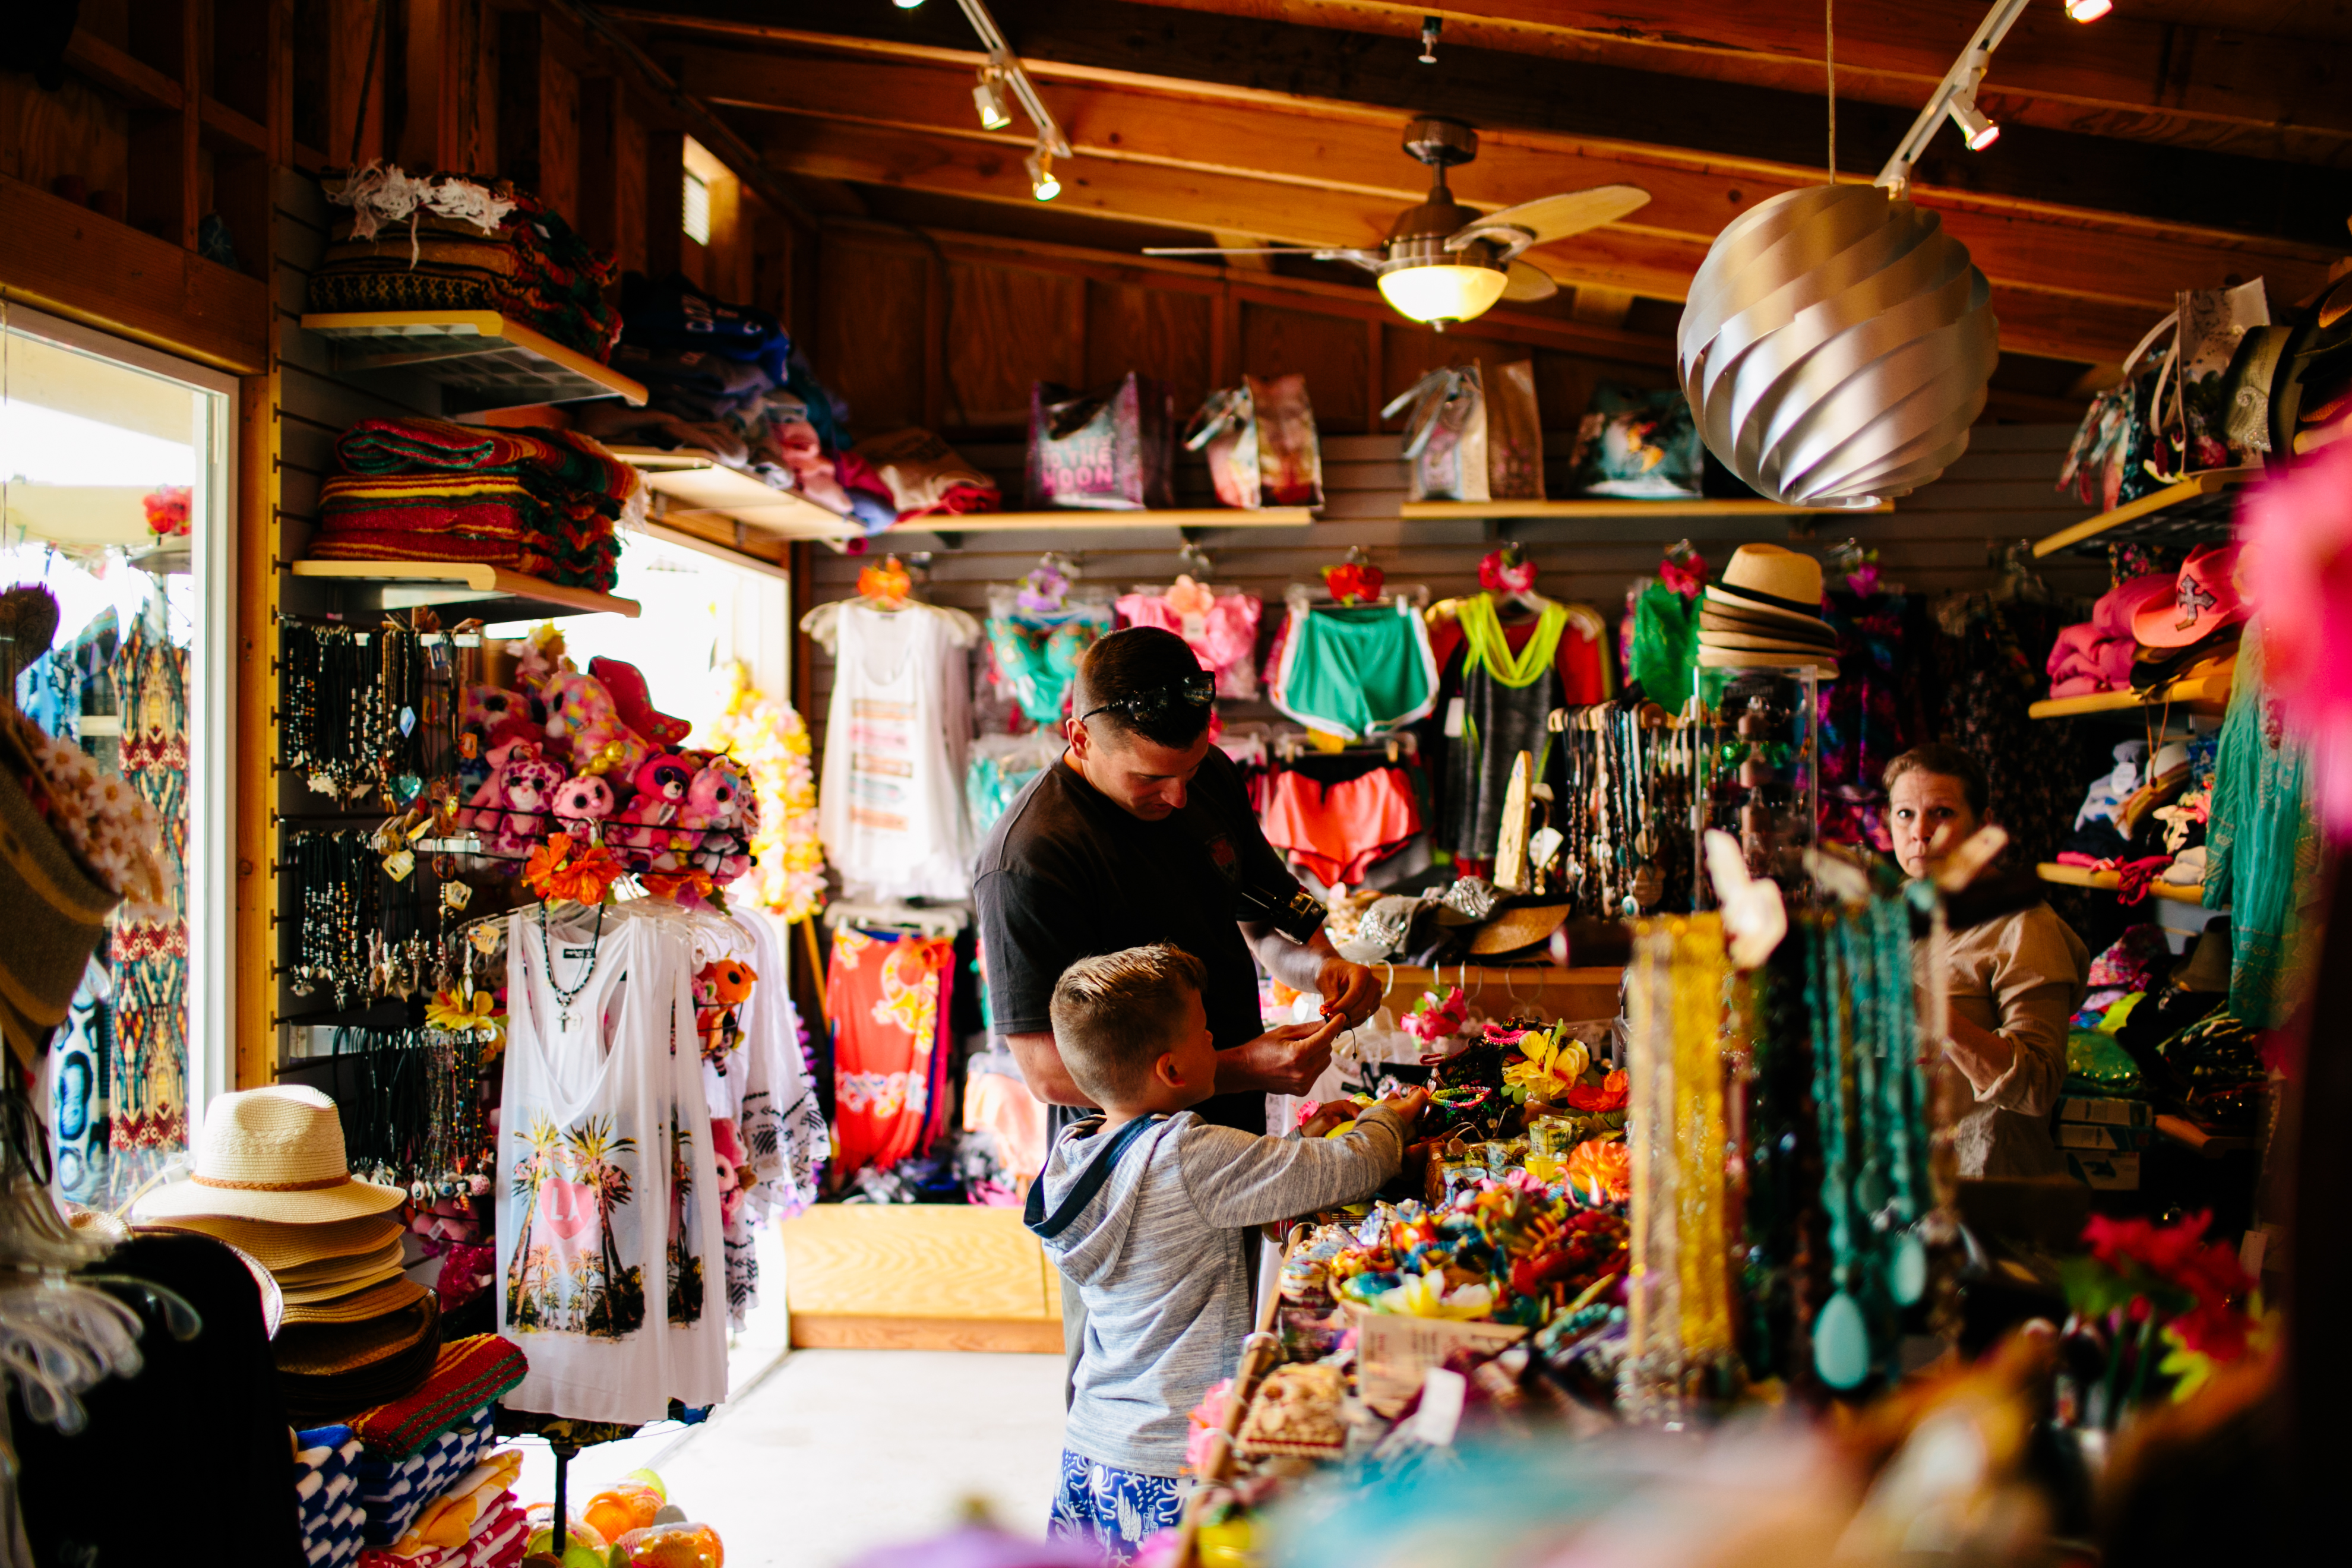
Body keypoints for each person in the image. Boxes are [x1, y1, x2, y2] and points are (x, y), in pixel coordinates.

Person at [976, 627, 1387, 1393]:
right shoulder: (1030, 859)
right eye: (1149, 780)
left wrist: (1328, 969)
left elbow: (1265, 925)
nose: (1176, 797)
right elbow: (1047, 1072)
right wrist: (1237, 1066)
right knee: (1136, 1384)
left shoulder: (1207, 780)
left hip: (1229, 1134)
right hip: (1124, 1173)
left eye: (1190, 771)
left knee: (1237, 1358)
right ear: (1079, 738)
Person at [1030, 945, 1424, 1565]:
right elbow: (1355, 1167)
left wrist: (1302, 1140)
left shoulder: (1072, 1158)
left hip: (1093, 1447)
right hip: (1180, 1456)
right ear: (1172, 1069)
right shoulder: (1189, 1155)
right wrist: (1386, 1121)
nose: (1215, 1036)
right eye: (1203, 1031)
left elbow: (1202, 1198)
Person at [1886, 743, 2089, 1180]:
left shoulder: (2025, 927)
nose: (1920, 831)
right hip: (1901, 1186)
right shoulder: (1892, 911)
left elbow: (2037, 1088)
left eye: (1941, 813)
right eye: (1904, 813)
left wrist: (1927, 1008)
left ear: (1983, 824)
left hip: (1984, 1191)